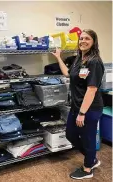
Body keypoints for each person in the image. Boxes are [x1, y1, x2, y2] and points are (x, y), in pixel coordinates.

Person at [52, 29, 104, 180]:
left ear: (94, 42)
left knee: (87, 138)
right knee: (71, 134)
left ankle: (88, 168)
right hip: (76, 106)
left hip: (89, 108)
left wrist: (82, 113)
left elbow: (92, 89)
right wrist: (59, 58)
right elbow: (68, 74)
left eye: (87, 38)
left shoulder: (94, 62)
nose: (83, 41)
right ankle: (92, 158)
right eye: (81, 38)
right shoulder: (79, 59)